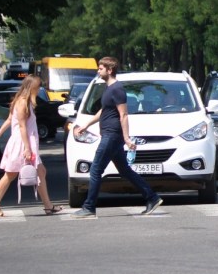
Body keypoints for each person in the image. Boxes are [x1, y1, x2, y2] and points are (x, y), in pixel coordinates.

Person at [70, 57, 163, 218]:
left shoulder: (117, 89)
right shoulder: (108, 89)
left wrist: (126, 138)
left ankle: (89, 207)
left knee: (95, 170)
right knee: (125, 170)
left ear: (109, 70)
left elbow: (124, 114)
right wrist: (86, 125)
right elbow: (104, 111)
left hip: (112, 135)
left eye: (100, 68)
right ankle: (152, 198)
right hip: (109, 135)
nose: (98, 71)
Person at [0, 75, 63, 216]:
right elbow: (21, 127)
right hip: (22, 143)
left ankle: (48, 206)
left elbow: (9, 120)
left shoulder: (22, 101)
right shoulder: (22, 103)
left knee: (41, 172)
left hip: (25, 142)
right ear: (32, 87)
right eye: (38, 87)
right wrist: (27, 148)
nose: (39, 90)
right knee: (10, 173)